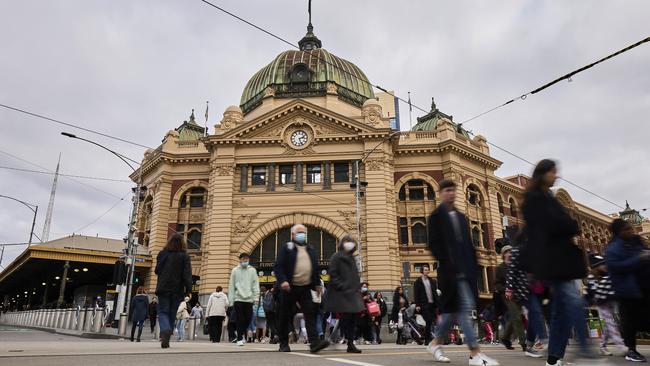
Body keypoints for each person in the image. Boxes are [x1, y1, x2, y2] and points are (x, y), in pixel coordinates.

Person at [521, 159, 595, 366]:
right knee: (574, 304)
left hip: (559, 262)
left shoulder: (547, 197)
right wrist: (569, 224)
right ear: (542, 173)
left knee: (561, 312)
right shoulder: (535, 199)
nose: (556, 175)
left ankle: (553, 359)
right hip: (553, 262)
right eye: (553, 172)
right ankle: (586, 352)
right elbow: (552, 225)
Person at [426, 179, 499, 366]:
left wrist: (472, 268)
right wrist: (448, 263)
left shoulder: (460, 217)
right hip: (450, 273)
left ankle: (435, 343)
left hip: (465, 273)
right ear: (441, 193)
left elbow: (468, 245)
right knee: (464, 311)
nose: (451, 193)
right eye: (447, 190)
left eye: (453, 190)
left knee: (452, 314)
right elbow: (433, 244)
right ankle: (475, 354)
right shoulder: (435, 216)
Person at [274, 224, 330, 353]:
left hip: (305, 287)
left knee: (310, 315)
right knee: (284, 315)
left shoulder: (310, 249)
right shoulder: (287, 248)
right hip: (289, 287)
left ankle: (314, 343)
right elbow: (278, 267)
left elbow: (314, 268)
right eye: (299, 232)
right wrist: (283, 281)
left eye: (304, 232)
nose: (302, 234)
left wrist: (317, 284)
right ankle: (283, 343)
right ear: (293, 235)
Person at [605, 219, 650, 362]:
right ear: (618, 232)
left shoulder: (635, 241)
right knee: (630, 322)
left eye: (631, 228)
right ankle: (631, 350)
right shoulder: (612, 249)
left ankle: (631, 350)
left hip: (643, 286)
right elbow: (616, 267)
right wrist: (640, 258)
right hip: (627, 290)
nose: (631, 231)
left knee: (643, 319)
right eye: (627, 229)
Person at [325, 234, 363, 353]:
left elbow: (356, 274)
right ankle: (342, 341)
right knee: (345, 319)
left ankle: (349, 343)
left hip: (352, 293)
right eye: (347, 241)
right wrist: (342, 286)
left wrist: (357, 287)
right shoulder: (336, 257)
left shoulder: (352, 257)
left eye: (351, 242)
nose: (349, 243)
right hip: (342, 294)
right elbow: (333, 274)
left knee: (352, 320)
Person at [155, 233, 192, 349]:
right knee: (172, 313)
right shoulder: (185, 256)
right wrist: (189, 289)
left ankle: (165, 330)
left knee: (163, 312)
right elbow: (187, 274)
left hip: (163, 287)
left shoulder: (162, 254)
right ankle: (168, 333)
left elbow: (157, 270)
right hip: (177, 289)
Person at [586, 254, 626, 357]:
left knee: (608, 325)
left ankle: (602, 346)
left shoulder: (606, 274)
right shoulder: (591, 276)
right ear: (596, 266)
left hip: (610, 301)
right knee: (610, 323)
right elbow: (593, 291)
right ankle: (621, 346)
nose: (605, 266)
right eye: (602, 264)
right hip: (601, 303)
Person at [495, 245, 526, 352]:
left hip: (519, 294)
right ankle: (524, 343)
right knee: (517, 316)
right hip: (507, 296)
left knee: (515, 317)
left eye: (511, 251)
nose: (509, 253)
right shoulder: (500, 268)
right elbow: (497, 284)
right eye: (507, 252)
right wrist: (507, 289)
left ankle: (505, 338)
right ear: (503, 255)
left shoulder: (517, 266)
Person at [228, 252, 260, 346]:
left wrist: (256, 297)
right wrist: (231, 301)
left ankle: (240, 332)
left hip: (249, 299)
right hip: (238, 298)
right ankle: (239, 339)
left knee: (248, 318)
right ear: (240, 260)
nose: (245, 261)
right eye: (243, 259)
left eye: (247, 259)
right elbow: (231, 285)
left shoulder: (252, 270)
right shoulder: (235, 270)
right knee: (240, 319)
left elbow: (255, 284)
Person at [413, 264, 439, 345]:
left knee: (430, 322)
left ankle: (428, 337)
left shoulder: (432, 281)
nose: (427, 271)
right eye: (425, 270)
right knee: (428, 321)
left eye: (427, 270)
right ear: (422, 271)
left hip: (432, 304)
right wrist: (417, 305)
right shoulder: (418, 282)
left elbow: (435, 293)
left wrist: (438, 304)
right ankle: (427, 339)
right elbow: (416, 294)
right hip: (424, 305)